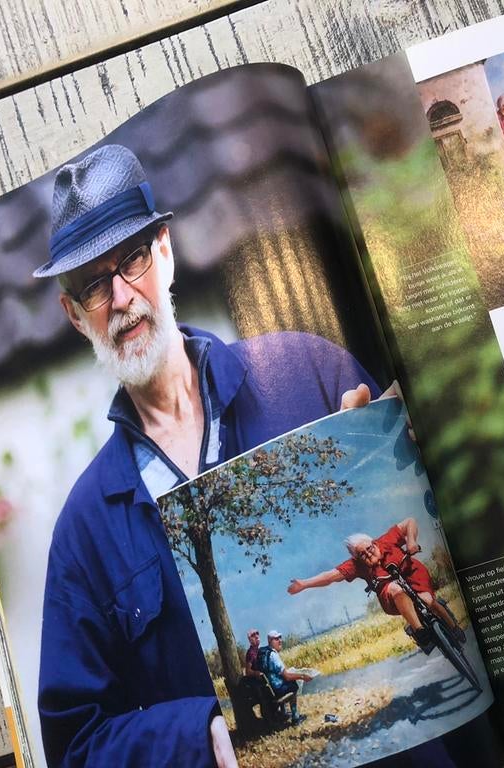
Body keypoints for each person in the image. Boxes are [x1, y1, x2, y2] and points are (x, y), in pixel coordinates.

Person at [34, 144, 383, 768]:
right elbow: (75, 747)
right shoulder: (83, 531)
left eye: (133, 259)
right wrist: (196, 740)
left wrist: (386, 441)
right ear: (74, 315)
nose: (120, 297)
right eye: (92, 285)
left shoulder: (308, 370)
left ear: (165, 252)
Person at [287, 517, 463, 649]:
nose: (368, 554)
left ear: (373, 542)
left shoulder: (386, 541)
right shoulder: (356, 565)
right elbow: (330, 576)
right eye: (362, 554)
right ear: (357, 558)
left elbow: (410, 522)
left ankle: (454, 627)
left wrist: (411, 542)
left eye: (369, 549)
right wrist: (304, 584)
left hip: (413, 576)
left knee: (430, 603)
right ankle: (419, 630)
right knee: (394, 588)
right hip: (391, 595)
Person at [257, 631, 311, 725]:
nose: (280, 641)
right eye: (276, 639)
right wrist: (302, 676)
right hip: (277, 689)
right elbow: (287, 677)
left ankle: (283, 712)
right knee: (294, 684)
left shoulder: (264, 653)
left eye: (280, 638)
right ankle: (295, 717)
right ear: (270, 641)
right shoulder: (273, 656)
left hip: (270, 689)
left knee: (291, 679)